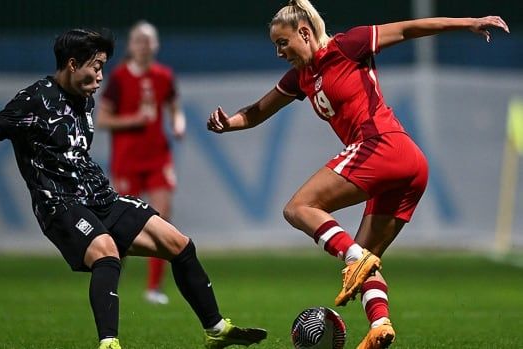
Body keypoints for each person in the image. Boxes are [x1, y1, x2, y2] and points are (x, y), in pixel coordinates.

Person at [0, 28, 266, 349]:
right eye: (96, 67)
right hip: (59, 204)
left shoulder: (85, 99)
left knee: (178, 244)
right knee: (106, 252)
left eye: (103, 67)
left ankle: (216, 330)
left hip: (101, 197)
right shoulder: (34, 99)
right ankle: (109, 342)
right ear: (73, 64)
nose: (101, 76)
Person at [207, 1, 509, 348]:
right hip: (407, 164)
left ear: (304, 32)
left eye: (282, 42)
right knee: (364, 264)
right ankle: (380, 325)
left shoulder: (348, 45)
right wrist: (229, 123)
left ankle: (354, 257)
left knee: (298, 209)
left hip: (383, 145)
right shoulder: (301, 77)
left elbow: (409, 29)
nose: (279, 52)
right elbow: (258, 111)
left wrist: (468, 22)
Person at [97, 21, 186, 305]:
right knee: (120, 227)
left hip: (158, 157)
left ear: (155, 46)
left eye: (149, 41)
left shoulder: (164, 76)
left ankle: (154, 288)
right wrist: (133, 120)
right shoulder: (119, 78)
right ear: (131, 45)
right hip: (127, 161)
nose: (144, 46)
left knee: (161, 221)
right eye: (139, 41)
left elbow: (174, 108)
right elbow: (102, 120)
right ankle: (110, 285)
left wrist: (177, 124)